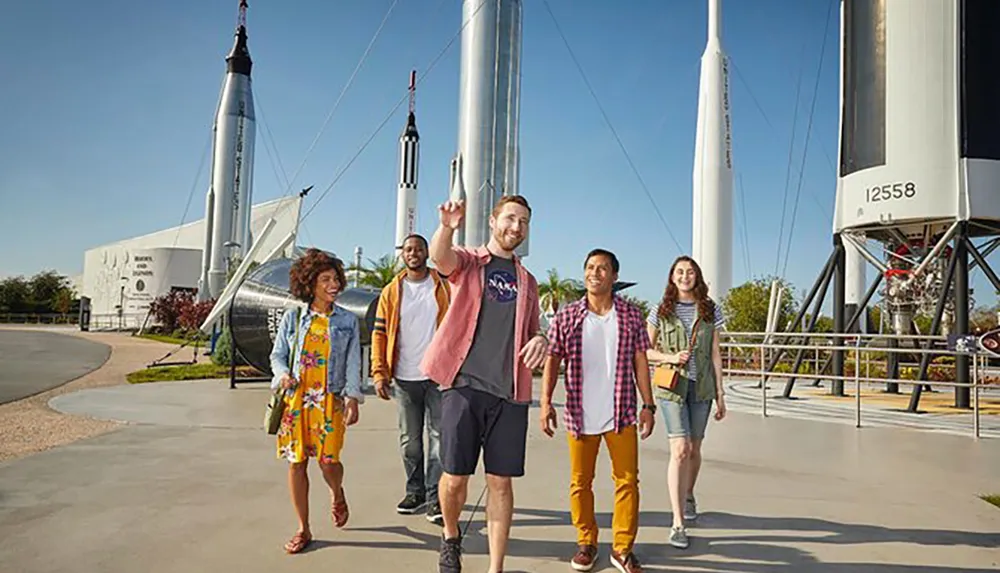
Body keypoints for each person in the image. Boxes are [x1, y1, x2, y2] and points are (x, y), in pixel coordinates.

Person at [420, 195, 547, 573]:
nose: (517, 227)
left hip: (509, 395)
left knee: (501, 484)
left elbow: (533, 330)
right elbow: (440, 259)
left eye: (524, 221)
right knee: (455, 478)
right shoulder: (471, 262)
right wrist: (446, 226)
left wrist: (541, 339)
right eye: (510, 218)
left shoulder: (528, 281)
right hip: (463, 385)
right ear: (493, 222)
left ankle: (496, 567)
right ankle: (450, 536)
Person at [540, 248, 656, 573]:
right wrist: (546, 403)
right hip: (579, 415)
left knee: (628, 481)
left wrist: (648, 405)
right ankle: (586, 542)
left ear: (614, 276)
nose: (595, 273)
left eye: (602, 268)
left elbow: (640, 362)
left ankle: (622, 549)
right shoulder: (567, 316)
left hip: (621, 414)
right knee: (580, 482)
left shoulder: (632, 316)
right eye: (590, 267)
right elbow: (552, 360)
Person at [269, 248, 364, 554]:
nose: (333, 284)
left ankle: (337, 492)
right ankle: (303, 528)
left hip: (329, 401)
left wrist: (352, 397)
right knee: (297, 463)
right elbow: (278, 356)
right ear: (310, 284)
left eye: (335, 278)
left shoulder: (347, 321)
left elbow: (353, 361)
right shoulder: (294, 317)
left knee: (328, 462)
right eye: (325, 279)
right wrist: (282, 374)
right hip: (297, 400)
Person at [645, 256, 726, 550]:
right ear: (671, 277)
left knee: (694, 449)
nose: (684, 276)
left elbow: (716, 353)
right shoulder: (660, 310)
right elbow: (644, 350)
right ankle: (677, 521)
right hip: (672, 388)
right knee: (679, 450)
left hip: (701, 388)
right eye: (679, 272)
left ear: (698, 277)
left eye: (690, 272)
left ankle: (688, 492)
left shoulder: (710, 310)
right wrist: (669, 357)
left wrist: (720, 393)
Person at [371, 233, 451, 525]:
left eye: (418, 248)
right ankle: (414, 490)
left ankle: (435, 497)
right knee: (410, 442)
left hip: (438, 376)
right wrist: (379, 372)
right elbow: (379, 334)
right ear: (402, 254)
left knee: (439, 441)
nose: (413, 253)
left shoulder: (443, 285)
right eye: (408, 249)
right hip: (404, 378)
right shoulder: (391, 291)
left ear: (427, 252)